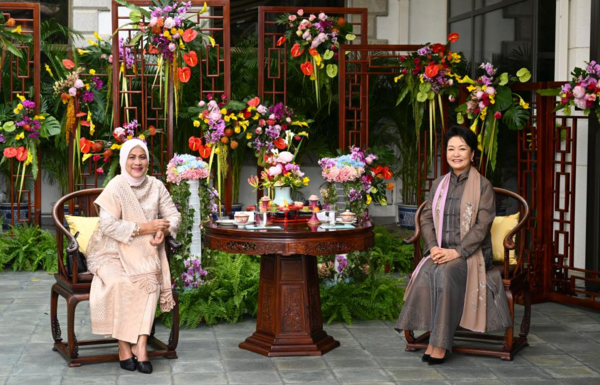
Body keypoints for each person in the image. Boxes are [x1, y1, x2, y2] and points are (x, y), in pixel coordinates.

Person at [395, 126, 511, 365]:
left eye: (462, 148)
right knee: (427, 270)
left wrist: (457, 251)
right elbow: (426, 218)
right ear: (445, 153)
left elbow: (482, 225)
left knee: (447, 273)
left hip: (473, 252)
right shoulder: (439, 183)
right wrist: (433, 248)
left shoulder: (483, 186)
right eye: (451, 149)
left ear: (472, 154)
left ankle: (438, 344)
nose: (455, 154)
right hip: (440, 249)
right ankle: (425, 333)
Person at [86, 139, 181, 374]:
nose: (137, 162)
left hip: (145, 251)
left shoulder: (156, 186)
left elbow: (174, 216)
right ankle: (122, 345)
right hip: (110, 252)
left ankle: (140, 345)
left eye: (142, 157)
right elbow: (108, 226)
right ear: (123, 160)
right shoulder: (116, 187)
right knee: (120, 282)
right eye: (132, 157)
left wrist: (164, 230)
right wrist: (147, 227)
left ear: (148, 160)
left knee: (150, 281)